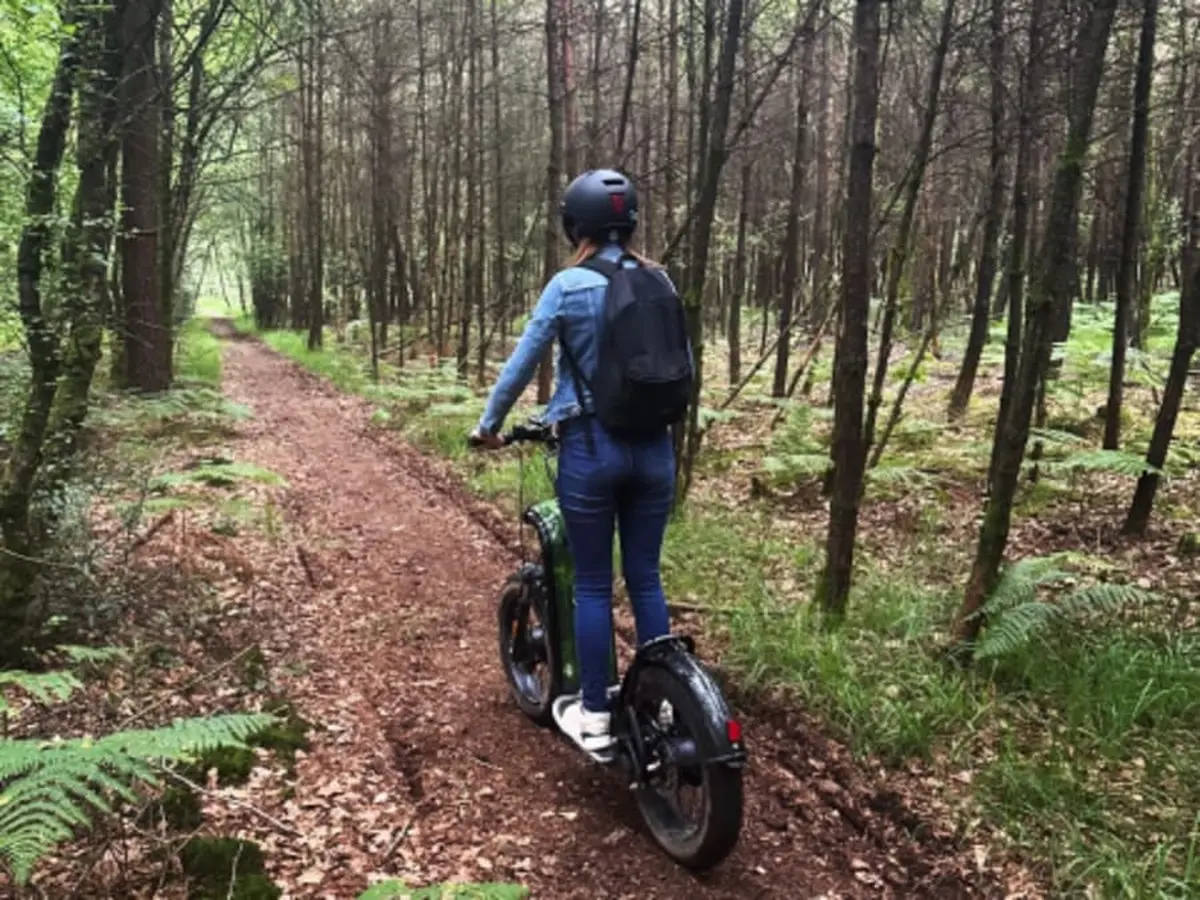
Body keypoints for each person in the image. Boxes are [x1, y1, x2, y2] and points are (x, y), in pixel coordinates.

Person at [469, 168, 689, 756]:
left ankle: (595, 711)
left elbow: (522, 364)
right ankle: (665, 702)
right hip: (656, 449)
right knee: (644, 575)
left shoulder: (568, 287)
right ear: (630, 222)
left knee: (592, 583)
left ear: (576, 225)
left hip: (592, 447)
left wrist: (488, 427)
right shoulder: (659, 280)